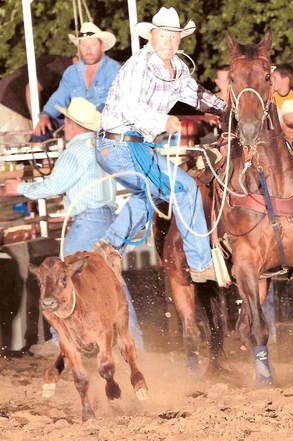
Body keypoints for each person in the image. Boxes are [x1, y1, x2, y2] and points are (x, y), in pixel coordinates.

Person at [94, 7, 227, 283]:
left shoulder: (177, 68)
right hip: (119, 147)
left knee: (151, 193)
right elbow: (131, 108)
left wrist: (226, 110)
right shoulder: (138, 65)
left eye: (174, 37)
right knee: (185, 189)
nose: (169, 42)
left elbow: (197, 95)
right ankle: (201, 264)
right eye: (163, 36)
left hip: (134, 148)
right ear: (151, 36)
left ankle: (110, 246)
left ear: (180, 40)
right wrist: (163, 121)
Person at [2, 97, 143, 348]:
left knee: (59, 278)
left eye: (65, 121)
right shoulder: (101, 147)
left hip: (87, 223)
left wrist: (20, 187)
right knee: (112, 283)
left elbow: (54, 186)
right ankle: (132, 342)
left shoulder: (75, 151)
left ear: (72, 123)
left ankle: (62, 342)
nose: (63, 126)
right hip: (108, 221)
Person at [33, 22, 120, 139]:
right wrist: (45, 115)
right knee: (40, 134)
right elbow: (59, 98)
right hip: (74, 124)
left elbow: (118, 103)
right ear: (79, 47)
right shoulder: (71, 72)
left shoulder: (114, 69)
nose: (88, 49)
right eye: (83, 45)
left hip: (102, 126)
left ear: (102, 46)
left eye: (92, 44)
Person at [0, 55, 72, 146]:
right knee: (17, 153)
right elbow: (31, 88)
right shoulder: (61, 65)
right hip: (11, 106)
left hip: (9, 103)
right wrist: (38, 120)